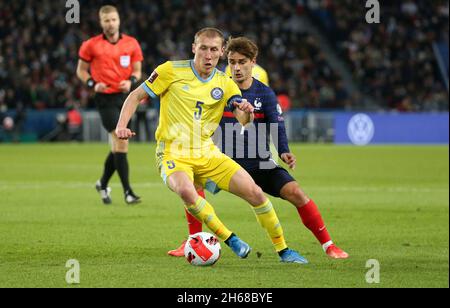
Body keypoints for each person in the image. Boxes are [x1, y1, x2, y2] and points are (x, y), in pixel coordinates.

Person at [116, 28, 307, 264]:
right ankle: (230, 239)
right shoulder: (169, 70)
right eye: (203, 48)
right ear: (194, 48)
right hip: (172, 152)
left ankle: (283, 250)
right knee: (186, 190)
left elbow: (243, 120)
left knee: (256, 193)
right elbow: (135, 95)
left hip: (207, 153)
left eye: (214, 50)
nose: (208, 55)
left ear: (221, 52)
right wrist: (121, 126)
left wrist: (246, 111)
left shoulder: (225, 83)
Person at [168, 37, 348, 259]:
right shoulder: (217, 87)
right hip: (222, 160)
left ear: (253, 62)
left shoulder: (264, 93)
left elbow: (277, 124)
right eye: (232, 62)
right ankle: (193, 241)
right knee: (192, 183)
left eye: (242, 62)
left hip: (257, 161)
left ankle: (328, 245)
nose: (236, 67)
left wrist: (284, 151)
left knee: (296, 193)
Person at [76, 5, 143, 205]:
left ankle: (102, 183)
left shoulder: (131, 44)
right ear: (101, 22)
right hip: (104, 98)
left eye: (113, 19)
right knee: (121, 140)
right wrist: (92, 84)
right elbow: (81, 71)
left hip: (125, 98)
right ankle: (128, 192)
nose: (110, 23)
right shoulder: (91, 45)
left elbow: (138, 70)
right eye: (106, 20)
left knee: (117, 145)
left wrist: (131, 80)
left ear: (119, 20)